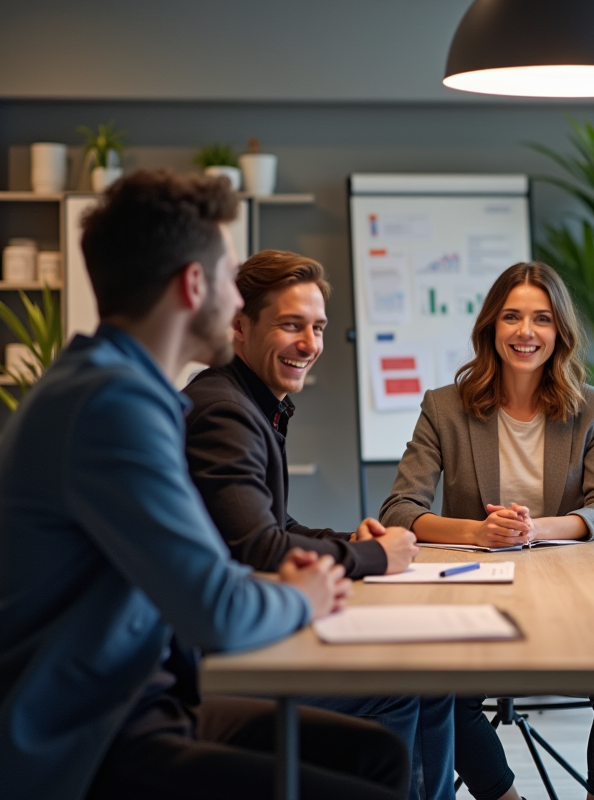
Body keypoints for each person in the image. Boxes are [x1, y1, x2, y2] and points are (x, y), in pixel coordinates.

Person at [0, 171, 408, 800]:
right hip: (85, 738)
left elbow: (208, 569)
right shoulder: (112, 407)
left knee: (378, 757)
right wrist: (305, 596)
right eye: (229, 283)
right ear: (193, 285)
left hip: (134, 698)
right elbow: (218, 610)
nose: (238, 307)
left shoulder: (113, 386)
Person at [182, 249, 452, 800]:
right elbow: (258, 546)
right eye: (290, 325)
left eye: (318, 327)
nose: (309, 344)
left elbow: (274, 523)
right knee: (408, 687)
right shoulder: (224, 411)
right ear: (239, 326)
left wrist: (350, 540)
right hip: (218, 661)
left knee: (429, 684)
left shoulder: (251, 402)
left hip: (237, 629)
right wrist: (377, 558)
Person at [380, 262, 594, 800]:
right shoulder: (444, 407)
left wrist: (536, 529)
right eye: (513, 317)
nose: (526, 332)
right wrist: (479, 532)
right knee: (442, 696)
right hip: (475, 586)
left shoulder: (591, 406)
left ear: (559, 332)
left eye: (542, 319)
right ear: (491, 329)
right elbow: (399, 510)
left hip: (570, 592)